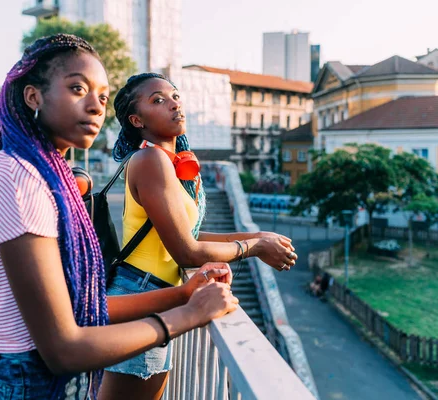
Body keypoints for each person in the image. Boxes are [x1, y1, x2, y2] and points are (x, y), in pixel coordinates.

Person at [0, 35, 239, 400]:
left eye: (102, 97)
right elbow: (63, 349)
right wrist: (189, 315)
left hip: (30, 380)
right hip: (25, 384)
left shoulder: (39, 174)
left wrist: (182, 294)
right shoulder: (18, 179)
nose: (95, 106)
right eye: (77, 88)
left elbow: (78, 308)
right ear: (33, 96)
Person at [100, 73, 298, 399]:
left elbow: (187, 232)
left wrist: (258, 235)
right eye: (158, 100)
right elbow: (188, 252)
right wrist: (254, 246)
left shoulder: (168, 162)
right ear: (137, 120)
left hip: (155, 295)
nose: (174, 103)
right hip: (141, 295)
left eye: (175, 95)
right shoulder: (149, 160)